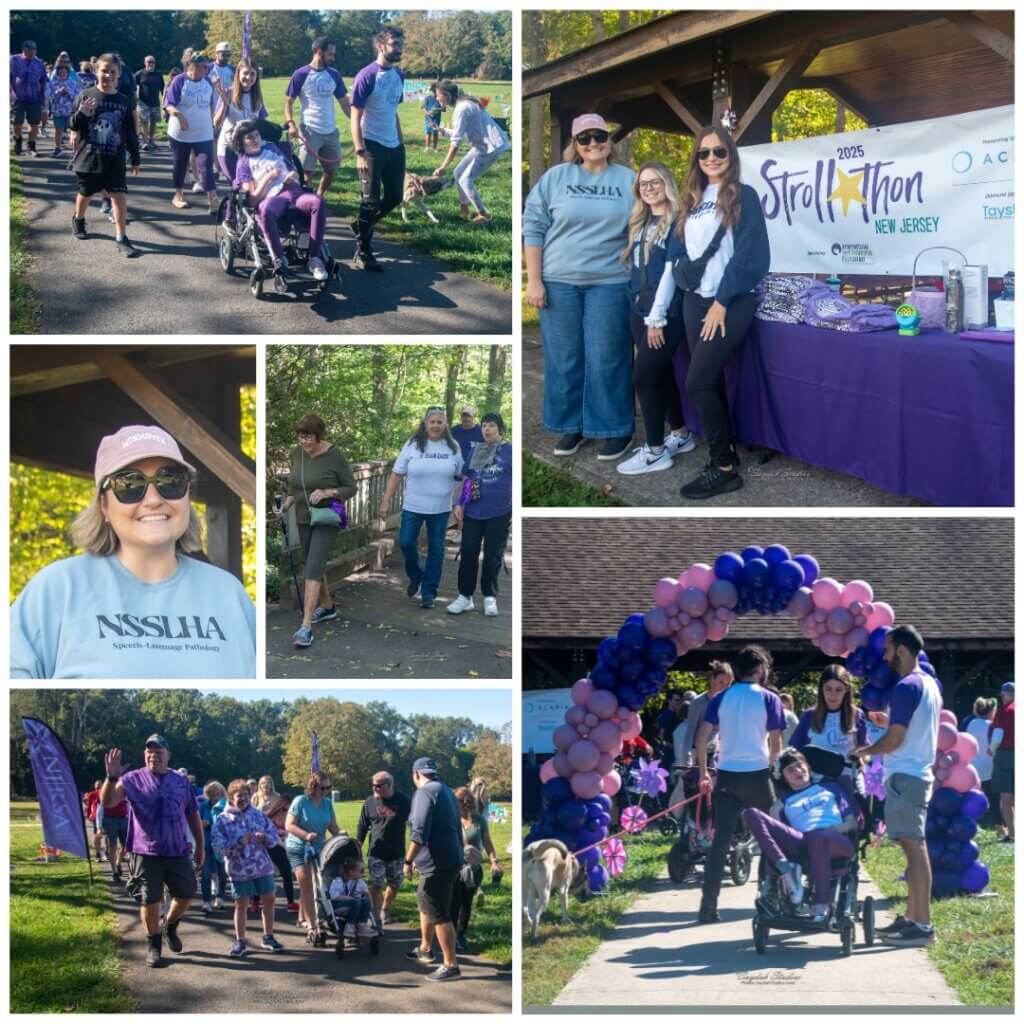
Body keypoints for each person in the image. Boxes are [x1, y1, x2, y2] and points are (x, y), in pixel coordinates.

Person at [9, 424, 257, 679]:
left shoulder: (229, 593)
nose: (153, 500)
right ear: (104, 505)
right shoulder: (57, 589)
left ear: (187, 495)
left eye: (169, 481)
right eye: (130, 485)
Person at [645, 126, 770, 499]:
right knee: (709, 382)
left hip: (730, 301)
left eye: (719, 152)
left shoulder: (743, 195)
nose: (712, 158)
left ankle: (724, 469)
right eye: (704, 153)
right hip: (694, 301)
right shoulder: (692, 200)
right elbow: (681, 256)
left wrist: (722, 301)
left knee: (697, 381)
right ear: (696, 159)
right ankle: (724, 452)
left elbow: (751, 256)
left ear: (731, 156)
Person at [523, 113, 636, 461]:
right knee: (564, 358)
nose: (593, 144)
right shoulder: (556, 177)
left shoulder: (628, 180)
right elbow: (534, 225)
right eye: (584, 139)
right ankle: (571, 424)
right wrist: (534, 280)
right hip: (558, 282)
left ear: (609, 140)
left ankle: (614, 427)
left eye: (599, 136)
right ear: (575, 144)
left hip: (610, 282)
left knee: (606, 357)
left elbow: (647, 225)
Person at [854, 624, 942, 946]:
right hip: (914, 774)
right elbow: (912, 728)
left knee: (914, 848)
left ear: (902, 650)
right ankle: (912, 919)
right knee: (913, 848)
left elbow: (895, 740)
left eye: (888, 650)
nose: (886, 656)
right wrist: (887, 721)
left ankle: (921, 927)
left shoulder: (906, 686)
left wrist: (863, 751)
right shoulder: (928, 684)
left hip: (906, 776)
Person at [614, 161, 698, 475]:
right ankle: (680, 433)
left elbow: (670, 272)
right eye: (643, 184)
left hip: (664, 314)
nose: (649, 188)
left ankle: (655, 451)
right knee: (660, 374)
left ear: (667, 184)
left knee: (643, 377)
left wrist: (656, 317)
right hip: (638, 309)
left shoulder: (678, 221)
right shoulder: (641, 220)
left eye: (655, 182)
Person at [695, 645, 784, 922]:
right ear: (760, 669)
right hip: (757, 773)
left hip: (727, 774)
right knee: (772, 837)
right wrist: (770, 768)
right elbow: (776, 743)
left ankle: (708, 905)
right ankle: (770, 897)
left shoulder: (720, 698)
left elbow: (701, 738)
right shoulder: (770, 698)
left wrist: (703, 773)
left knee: (720, 841)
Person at [102, 735, 204, 968]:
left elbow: (192, 813)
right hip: (144, 851)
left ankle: (169, 924)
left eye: (159, 752)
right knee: (150, 900)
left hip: (177, 850)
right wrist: (111, 777)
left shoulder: (181, 781)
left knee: (187, 892)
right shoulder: (132, 779)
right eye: (149, 751)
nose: (153, 755)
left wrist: (200, 845)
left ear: (168, 756)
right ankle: (154, 945)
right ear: (144, 754)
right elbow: (108, 802)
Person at [743, 747, 858, 923]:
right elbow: (779, 835)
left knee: (816, 836)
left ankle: (822, 903)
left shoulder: (832, 788)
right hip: (802, 842)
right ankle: (787, 871)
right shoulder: (782, 803)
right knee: (751, 813)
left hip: (836, 840)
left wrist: (835, 829)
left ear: (809, 768)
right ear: (783, 776)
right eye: (790, 769)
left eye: (800, 765)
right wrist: (775, 811)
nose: (797, 771)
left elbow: (851, 823)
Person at [278, 413, 356, 648]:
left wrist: (327, 492)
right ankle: (328, 607)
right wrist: (286, 505)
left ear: (319, 435)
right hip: (303, 518)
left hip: (326, 518)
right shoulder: (297, 453)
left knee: (312, 567)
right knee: (314, 563)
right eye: (301, 437)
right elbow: (293, 487)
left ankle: (305, 627)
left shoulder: (335, 455)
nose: (304, 442)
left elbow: (350, 487)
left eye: (308, 437)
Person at [379, 407, 464, 610]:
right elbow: (397, 473)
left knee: (436, 550)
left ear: (445, 425)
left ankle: (428, 592)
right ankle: (416, 576)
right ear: (425, 424)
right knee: (406, 542)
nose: (436, 425)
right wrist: (386, 500)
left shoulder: (453, 447)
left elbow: (462, 477)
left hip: (441, 509)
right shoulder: (412, 445)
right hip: (413, 506)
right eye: (432, 421)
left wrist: (459, 503)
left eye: (439, 422)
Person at [232, 119, 331, 286]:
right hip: (269, 198)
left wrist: (291, 177)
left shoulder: (274, 149)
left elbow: (292, 170)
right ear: (241, 142)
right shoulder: (244, 163)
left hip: (292, 190)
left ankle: (314, 258)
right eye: (249, 137)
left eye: (256, 135)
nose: (255, 139)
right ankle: (279, 258)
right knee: (266, 211)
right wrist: (267, 178)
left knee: (318, 202)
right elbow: (253, 198)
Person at [66, 53, 140, 256]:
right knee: (86, 193)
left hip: (115, 159)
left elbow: (130, 132)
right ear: (96, 72)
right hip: (89, 157)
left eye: (112, 72)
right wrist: (82, 113)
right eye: (104, 70)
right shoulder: (86, 95)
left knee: (119, 195)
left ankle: (121, 237)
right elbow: (73, 125)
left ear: (119, 75)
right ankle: (79, 219)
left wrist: (135, 157)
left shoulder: (123, 101)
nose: (108, 75)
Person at [350, 26, 407, 272]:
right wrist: (360, 151)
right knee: (370, 202)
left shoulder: (399, 76)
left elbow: (393, 111)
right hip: (371, 146)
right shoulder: (367, 75)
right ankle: (363, 250)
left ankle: (361, 225)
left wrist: (401, 142)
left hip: (394, 145)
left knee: (395, 197)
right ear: (381, 46)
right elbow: (355, 116)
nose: (400, 48)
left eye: (401, 44)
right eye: (395, 44)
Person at [404, 757, 464, 982]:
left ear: (416, 774)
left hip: (437, 862)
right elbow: (457, 826)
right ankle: (425, 947)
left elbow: (419, 831)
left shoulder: (424, 793)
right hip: (450, 858)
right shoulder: (447, 791)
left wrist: (408, 861)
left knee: (439, 913)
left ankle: (451, 965)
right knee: (425, 903)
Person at [448, 412, 512, 617]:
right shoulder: (475, 451)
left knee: (493, 555)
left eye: (491, 425)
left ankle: (489, 597)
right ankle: (465, 597)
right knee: (468, 553)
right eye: (484, 425)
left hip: (499, 513)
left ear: (500, 430)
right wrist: (459, 503)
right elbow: (468, 478)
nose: (487, 429)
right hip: (474, 511)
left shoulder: (510, 451)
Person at [210, 778, 284, 957]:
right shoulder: (222, 819)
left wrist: (266, 838)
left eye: (245, 795)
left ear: (250, 796)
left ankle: (268, 936)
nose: (242, 799)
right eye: (238, 796)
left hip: (261, 865)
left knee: (269, 899)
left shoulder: (258, 815)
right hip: (239, 869)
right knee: (242, 904)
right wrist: (237, 843)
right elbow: (217, 847)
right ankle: (240, 941)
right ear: (230, 798)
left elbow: (275, 836)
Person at [431, 80, 509, 224]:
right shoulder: (465, 105)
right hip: (483, 145)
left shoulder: (462, 109)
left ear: (447, 95)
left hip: (491, 146)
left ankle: (483, 215)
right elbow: (462, 132)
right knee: (458, 173)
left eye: (438, 95)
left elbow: (455, 144)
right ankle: (464, 208)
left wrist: (443, 166)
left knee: (466, 180)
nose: (436, 98)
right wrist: (444, 131)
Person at [285, 36, 350, 197]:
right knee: (307, 174)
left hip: (330, 132)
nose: (333, 57)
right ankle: (307, 204)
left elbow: (344, 103)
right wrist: (291, 124)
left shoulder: (334, 75)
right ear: (319, 52)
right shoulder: (300, 74)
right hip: (309, 131)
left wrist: (358, 123)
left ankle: (319, 195)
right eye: (330, 54)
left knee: (332, 171)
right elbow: (288, 103)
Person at [789, 666, 869, 784]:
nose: (833, 695)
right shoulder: (809, 715)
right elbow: (794, 750)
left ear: (846, 690)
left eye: (838, 689)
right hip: (817, 781)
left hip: (848, 779)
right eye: (828, 689)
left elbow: (866, 748)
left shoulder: (857, 714)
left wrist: (861, 755)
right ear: (821, 689)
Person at [285, 770, 341, 939]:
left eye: (328, 788)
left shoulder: (327, 804)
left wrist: (342, 836)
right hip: (299, 847)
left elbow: (333, 827)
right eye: (323, 788)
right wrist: (305, 835)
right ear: (313, 787)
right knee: (307, 884)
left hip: (318, 847)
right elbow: (289, 825)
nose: (326, 791)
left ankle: (302, 916)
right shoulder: (300, 802)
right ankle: (312, 925)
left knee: (314, 885)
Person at [163, 52, 218, 213]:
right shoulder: (179, 81)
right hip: (181, 133)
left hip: (203, 133)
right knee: (180, 164)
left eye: (206, 67)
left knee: (206, 165)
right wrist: (178, 115)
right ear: (190, 66)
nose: (205, 70)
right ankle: (178, 195)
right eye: (202, 67)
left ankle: (213, 199)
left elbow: (211, 105)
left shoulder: (207, 82)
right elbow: (169, 104)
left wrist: (214, 122)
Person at [356, 771, 412, 927]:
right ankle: (376, 917)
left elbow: (414, 824)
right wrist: (358, 843)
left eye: (378, 786)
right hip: (376, 851)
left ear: (389, 785)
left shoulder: (403, 801)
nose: (374, 789)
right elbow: (362, 825)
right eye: (373, 785)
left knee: (394, 885)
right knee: (376, 884)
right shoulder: (369, 802)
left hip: (396, 851)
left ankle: (385, 908)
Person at [451, 785, 500, 954]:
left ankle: (460, 935)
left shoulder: (479, 821)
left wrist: (494, 861)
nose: (463, 803)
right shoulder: (450, 819)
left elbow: (488, 843)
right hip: (453, 868)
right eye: (459, 800)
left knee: (466, 903)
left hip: (473, 869)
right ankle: (450, 934)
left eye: (467, 800)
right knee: (453, 902)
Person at [214, 59, 266, 182]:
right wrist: (225, 104)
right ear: (238, 74)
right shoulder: (228, 93)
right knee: (236, 185)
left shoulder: (257, 96)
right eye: (245, 73)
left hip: (250, 150)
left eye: (252, 74)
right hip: (229, 149)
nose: (248, 77)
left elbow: (262, 123)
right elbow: (216, 124)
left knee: (251, 187)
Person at [253, 775, 299, 911]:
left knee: (286, 871)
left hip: (280, 842)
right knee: (260, 872)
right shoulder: (257, 799)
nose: (266, 786)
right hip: (265, 842)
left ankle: (291, 901)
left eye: (268, 783)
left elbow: (289, 822)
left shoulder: (278, 798)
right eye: (263, 784)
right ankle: (255, 901)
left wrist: (286, 831)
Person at [678, 661, 734, 766]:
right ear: (712, 679)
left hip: (716, 755)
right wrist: (686, 760)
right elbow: (690, 732)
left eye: (728, 684)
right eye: (721, 682)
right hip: (696, 754)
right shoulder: (698, 702)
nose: (724, 688)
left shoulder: (728, 703)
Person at [966, 698, 999, 831]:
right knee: (994, 798)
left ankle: (974, 823)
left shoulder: (971, 723)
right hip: (990, 765)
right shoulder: (991, 725)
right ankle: (999, 825)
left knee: (974, 797)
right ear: (990, 711)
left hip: (973, 765)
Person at [328, 857, 378, 942]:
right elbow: (335, 896)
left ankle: (362, 925)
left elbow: (367, 894)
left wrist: (371, 905)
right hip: (339, 905)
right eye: (361, 871)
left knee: (365, 901)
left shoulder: (361, 883)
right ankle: (349, 925)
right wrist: (349, 899)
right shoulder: (337, 882)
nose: (363, 873)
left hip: (356, 904)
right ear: (351, 872)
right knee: (356, 901)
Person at [11, 40, 47, 157]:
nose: (32, 52)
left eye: (34, 50)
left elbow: (43, 81)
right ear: (24, 49)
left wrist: (43, 96)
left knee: (34, 123)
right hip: (18, 97)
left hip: (34, 97)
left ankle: (31, 146)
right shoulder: (13, 60)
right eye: (30, 50)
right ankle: (18, 140)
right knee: (17, 121)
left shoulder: (39, 63)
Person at [989, 682, 1014, 842]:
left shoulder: (1004, 711)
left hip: (1006, 755)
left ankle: (1012, 834)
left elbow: (998, 736)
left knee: (1006, 797)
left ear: (1007, 695)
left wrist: (991, 749)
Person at [199, 781, 229, 912]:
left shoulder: (226, 807)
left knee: (222, 873)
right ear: (208, 795)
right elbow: (194, 822)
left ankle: (220, 898)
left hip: (221, 845)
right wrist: (202, 823)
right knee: (205, 874)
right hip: (205, 844)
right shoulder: (202, 806)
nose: (215, 797)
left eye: (218, 794)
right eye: (212, 794)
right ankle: (206, 902)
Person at [46, 63, 80, 157]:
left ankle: (75, 150)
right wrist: (58, 92)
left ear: (68, 73)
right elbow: (49, 96)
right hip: (58, 110)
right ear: (57, 73)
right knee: (58, 130)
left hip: (71, 111)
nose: (62, 74)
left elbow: (78, 97)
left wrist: (68, 92)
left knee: (73, 130)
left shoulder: (73, 83)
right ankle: (57, 148)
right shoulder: (52, 83)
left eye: (64, 72)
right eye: (60, 72)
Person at [134, 56, 164, 152]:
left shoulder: (158, 75)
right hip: (143, 102)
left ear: (155, 63)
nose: (150, 64)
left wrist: (164, 102)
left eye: (152, 62)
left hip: (155, 102)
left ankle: (151, 140)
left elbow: (163, 88)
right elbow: (132, 85)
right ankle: (145, 142)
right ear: (145, 63)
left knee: (153, 122)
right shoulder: (140, 74)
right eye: (148, 62)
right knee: (144, 121)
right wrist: (135, 96)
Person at [102, 782, 130, 881]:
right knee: (112, 845)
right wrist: (99, 826)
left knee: (126, 845)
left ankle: (118, 862)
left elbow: (129, 806)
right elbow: (100, 808)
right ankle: (114, 872)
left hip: (123, 819)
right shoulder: (106, 791)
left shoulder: (124, 792)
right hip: (110, 819)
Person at [83, 781, 105, 862]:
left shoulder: (105, 792)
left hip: (106, 815)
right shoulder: (91, 794)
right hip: (96, 817)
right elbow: (89, 806)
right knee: (98, 835)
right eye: (97, 785)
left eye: (99, 785)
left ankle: (105, 852)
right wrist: (89, 815)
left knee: (105, 836)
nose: (98, 786)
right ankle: (98, 853)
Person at [422, 85, 442, 149]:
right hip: (428, 119)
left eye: (435, 92)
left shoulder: (439, 99)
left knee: (435, 132)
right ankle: (427, 147)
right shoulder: (427, 98)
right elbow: (423, 108)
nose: (434, 93)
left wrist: (436, 110)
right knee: (428, 132)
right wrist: (427, 113)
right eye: (433, 92)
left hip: (436, 119)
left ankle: (434, 147)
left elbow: (443, 108)